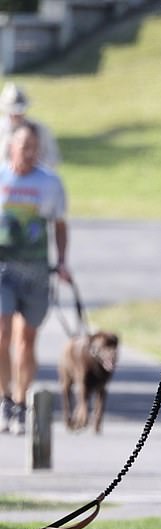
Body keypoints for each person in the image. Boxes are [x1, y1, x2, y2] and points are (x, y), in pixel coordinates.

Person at [0, 122, 71, 435]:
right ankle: (4, 397)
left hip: (36, 269)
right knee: (2, 331)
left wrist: (63, 262)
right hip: (3, 268)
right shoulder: (1, 177)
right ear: (11, 146)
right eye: (23, 146)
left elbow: (58, 224)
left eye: (33, 147)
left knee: (26, 338)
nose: (28, 152)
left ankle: (20, 400)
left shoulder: (50, 183)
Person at [0, 82, 61, 169]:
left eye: (19, 112)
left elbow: (52, 157)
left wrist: (31, 169)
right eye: (13, 112)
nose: (16, 115)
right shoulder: (2, 128)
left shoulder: (39, 129)